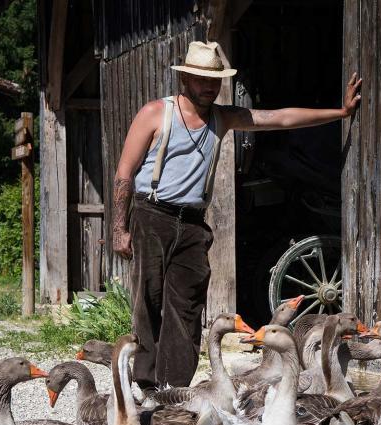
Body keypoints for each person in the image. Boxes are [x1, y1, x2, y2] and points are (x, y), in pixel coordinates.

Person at [113, 41, 361, 393]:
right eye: (201, 79)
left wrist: (340, 113)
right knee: (148, 303)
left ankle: (175, 391)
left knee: (187, 310)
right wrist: (120, 228)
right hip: (152, 214)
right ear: (185, 78)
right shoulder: (156, 112)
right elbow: (124, 172)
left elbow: (279, 118)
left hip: (193, 224)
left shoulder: (223, 117)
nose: (209, 86)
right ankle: (144, 385)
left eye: (214, 80)